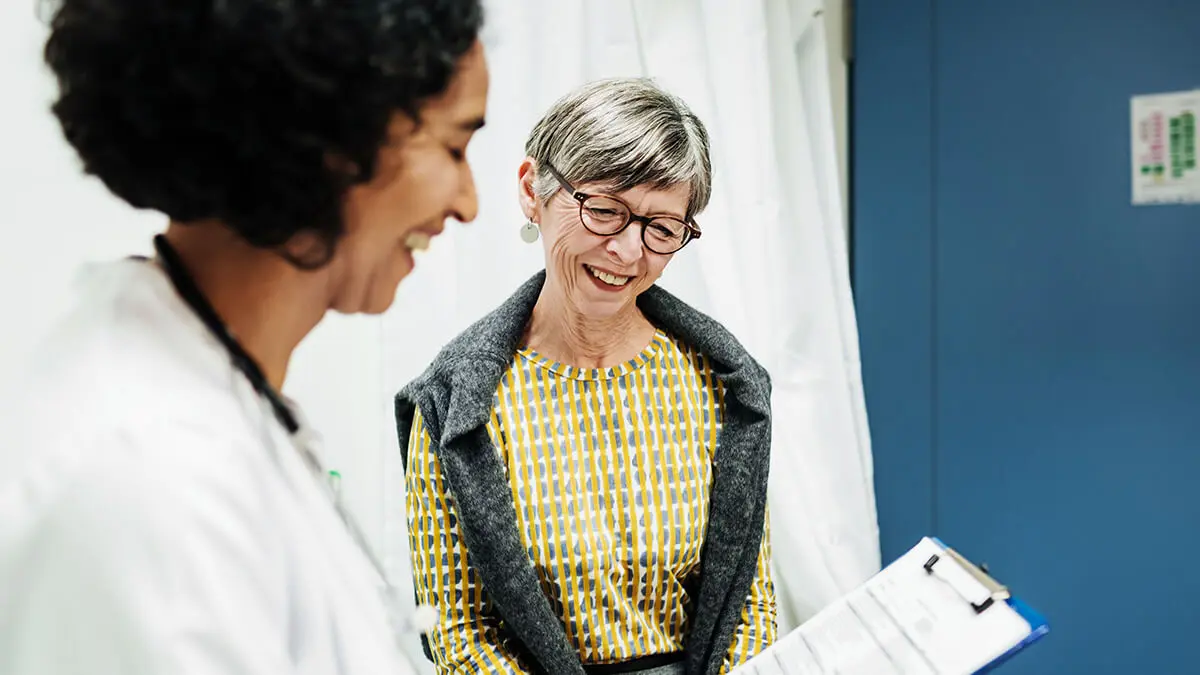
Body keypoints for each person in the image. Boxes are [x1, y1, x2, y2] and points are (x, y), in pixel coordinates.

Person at [0, 1, 488, 673]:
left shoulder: (216, 391)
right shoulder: (149, 474)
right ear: (332, 144)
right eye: (454, 148)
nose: (468, 202)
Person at [395, 77, 777, 675]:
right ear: (533, 191)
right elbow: (459, 631)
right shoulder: (456, 404)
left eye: (661, 227)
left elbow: (748, 602)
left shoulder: (722, 384)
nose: (627, 252)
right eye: (604, 210)